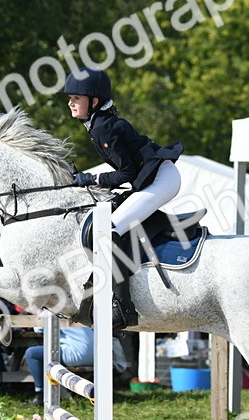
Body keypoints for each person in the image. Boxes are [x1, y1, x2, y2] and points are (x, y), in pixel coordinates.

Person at [63, 67, 183, 333]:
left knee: (108, 231)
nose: (70, 102)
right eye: (70, 97)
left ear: (94, 100)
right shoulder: (98, 124)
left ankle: (123, 307)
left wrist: (92, 179)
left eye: (76, 98)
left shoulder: (104, 127)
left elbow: (126, 173)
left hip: (162, 180)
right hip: (151, 178)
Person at [23, 327, 96, 404]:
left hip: (76, 354)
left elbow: (39, 328)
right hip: (95, 356)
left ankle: (40, 394)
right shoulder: (85, 317)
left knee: (32, 353)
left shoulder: (59, 315)